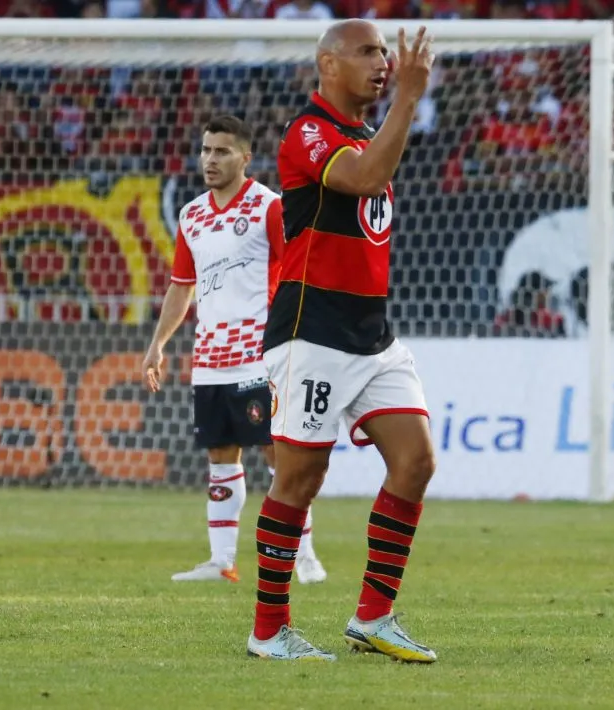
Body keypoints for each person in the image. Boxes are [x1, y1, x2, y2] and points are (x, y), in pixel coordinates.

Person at [246, 20, 437, 663]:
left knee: (415, 462)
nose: (381, 62)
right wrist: (409, 98)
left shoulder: (363, 133)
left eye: (385, 52)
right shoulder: (308, 132)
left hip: (372, 335)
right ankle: (269, 631)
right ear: (328, 64)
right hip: (312, 333)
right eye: (366, 52)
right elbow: (361, 179)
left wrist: (399, 106)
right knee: (300, 477)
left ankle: (373, 620)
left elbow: (372, 170)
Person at [142, 115, 327, 586]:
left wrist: (296, 337)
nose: (210, 159)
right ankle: (221, 561)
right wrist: (157, 344)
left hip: (259, 351)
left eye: (221, 151)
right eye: (206, 150)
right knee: (220, 456)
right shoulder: (192, 215)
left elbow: (296, 272)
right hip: (210, 356)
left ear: (245, 157)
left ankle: (303, 555)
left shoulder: (269, 207)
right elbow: (182, 286)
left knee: (274, 454)